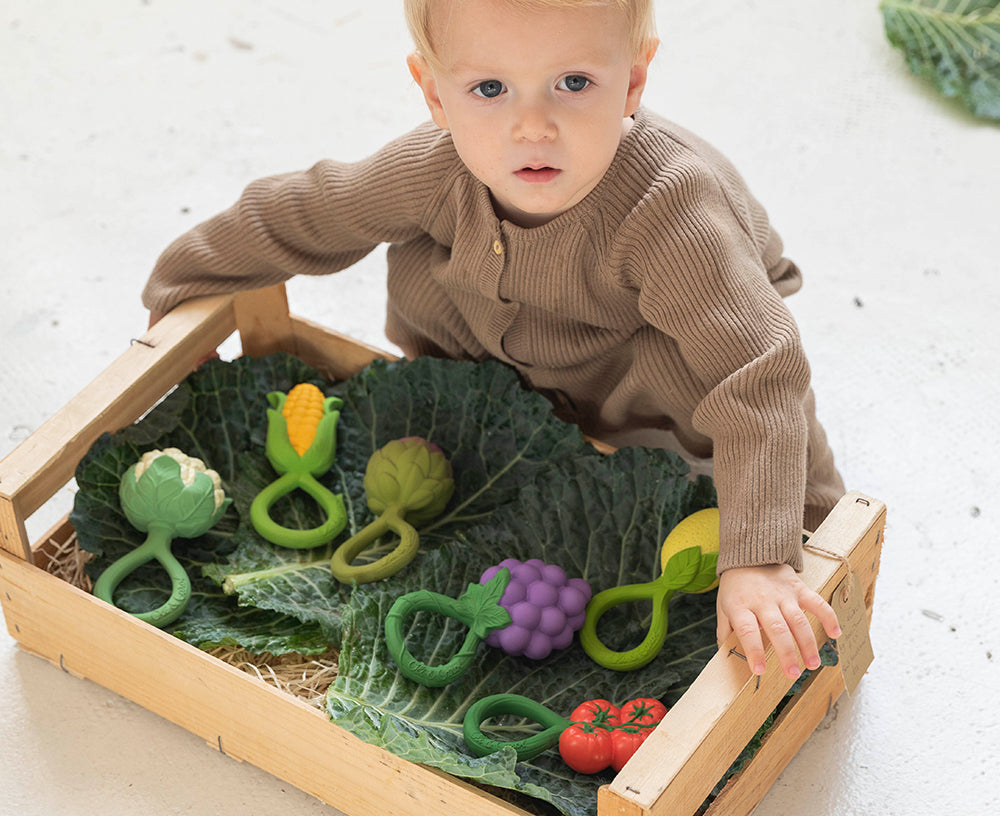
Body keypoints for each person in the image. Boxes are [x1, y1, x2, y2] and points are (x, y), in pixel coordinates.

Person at [143, 0, 845, 681]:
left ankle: (797, 524)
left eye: (574, 84)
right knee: (419, 262)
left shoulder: (670, 209)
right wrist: (179, 295)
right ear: (436, 96)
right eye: (488, 88)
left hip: (635, 344)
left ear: (632, 81)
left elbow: (760, 374)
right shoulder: (435, 168)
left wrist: (767, 556)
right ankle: (479, 419)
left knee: (701, 372)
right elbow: (308, 211)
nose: (532, 126)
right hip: (496, 335)